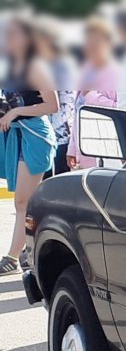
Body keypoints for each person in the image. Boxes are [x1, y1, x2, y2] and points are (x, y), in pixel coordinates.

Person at [0, 16, 59, 275]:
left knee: (24, 201)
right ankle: (25, 251)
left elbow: (52, 105)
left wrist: (15, 113)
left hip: (35, 136)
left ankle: (13, 256)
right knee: (23, 201)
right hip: (19, 135)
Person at [68, 18, 124, 171]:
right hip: (83, 155)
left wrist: (91, 96)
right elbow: (77, 114)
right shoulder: (84, 72)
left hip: (105, 156)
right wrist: (72, 149)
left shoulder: (114, 73)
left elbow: (120, 109)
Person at [34, 20, 77, 176]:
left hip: (58, 140)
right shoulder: (34, 66)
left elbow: (68, 105)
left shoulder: (63, 67)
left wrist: (47, 127)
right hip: (36, 136)